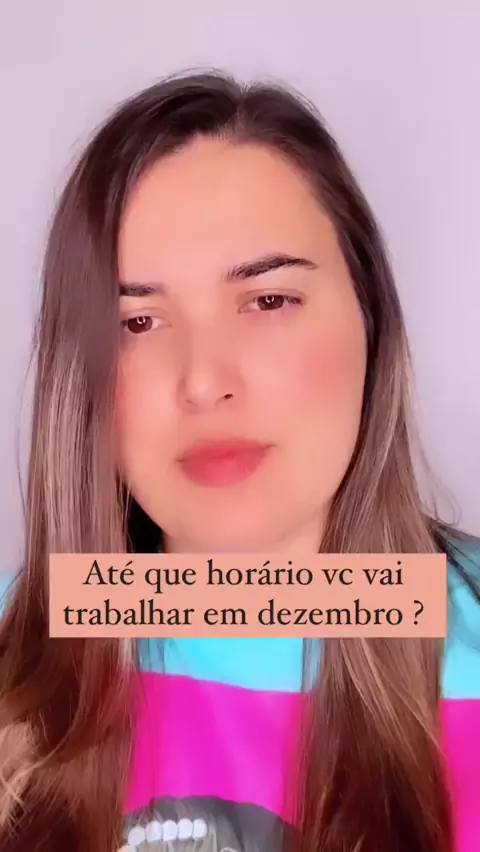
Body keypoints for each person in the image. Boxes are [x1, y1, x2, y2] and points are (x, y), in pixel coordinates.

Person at [0, 71, 478, 852]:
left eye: (268, 301)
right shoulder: (14, 654)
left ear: (372, 322)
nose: (203, 382)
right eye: (138, 323)